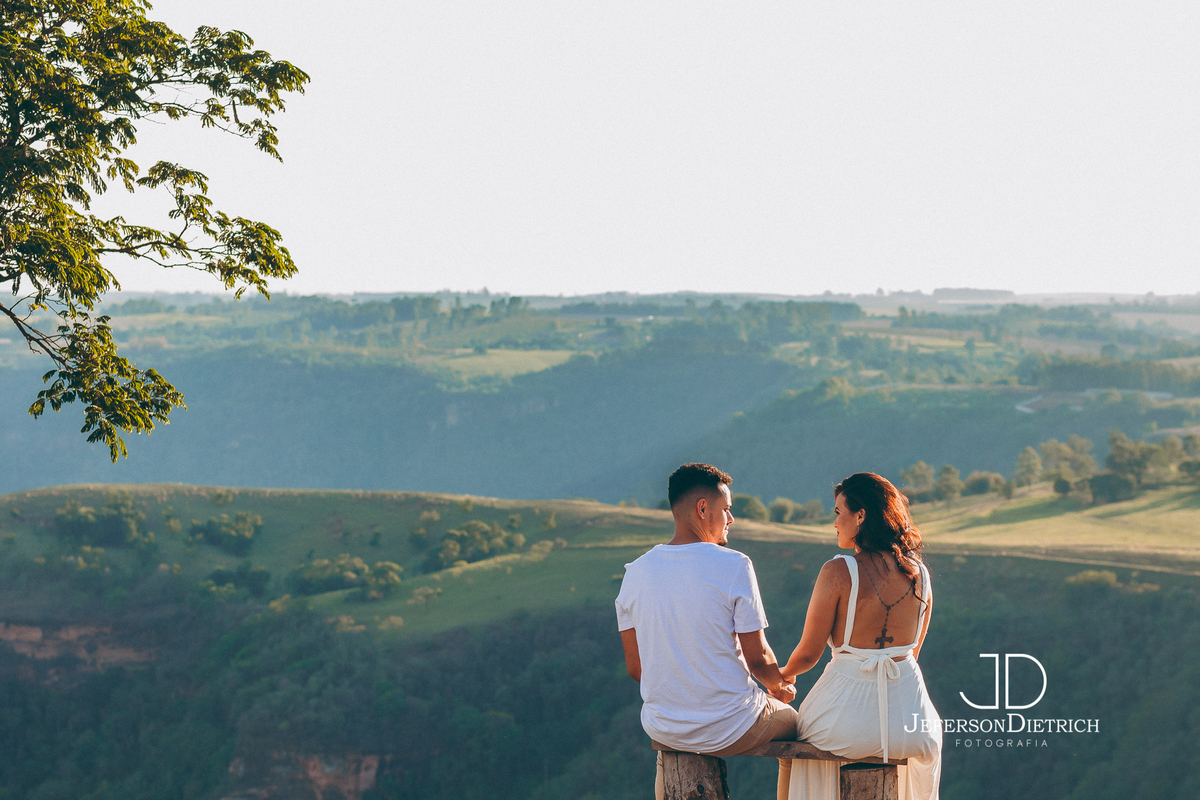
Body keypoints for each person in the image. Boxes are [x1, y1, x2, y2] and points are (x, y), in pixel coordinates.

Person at [616, 463, 799, 800]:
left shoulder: (634, 573)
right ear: (703, 508)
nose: (731, 519)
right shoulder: (734, 564)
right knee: (800, 732)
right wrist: (780, 687)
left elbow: (636, 669)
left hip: (664, 724)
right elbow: (758, 659)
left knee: (672, 744)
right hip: (733, 725)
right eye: (726, 509)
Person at [778, 472, 942, 800]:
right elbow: (913, 653)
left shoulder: (838, 571)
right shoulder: (920, 574)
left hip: (845, 721)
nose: (835, 523)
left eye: (839, 513)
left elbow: (808, 654)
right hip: (912, 724)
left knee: (790, 750)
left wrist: (779, 680)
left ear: (860, 516)